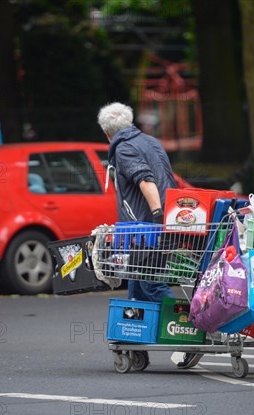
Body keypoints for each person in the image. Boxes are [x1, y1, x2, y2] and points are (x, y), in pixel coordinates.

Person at [97, 102, 203, 369]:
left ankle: (194, 332)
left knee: (151, 284)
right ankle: (134, 345)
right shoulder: (150, 141)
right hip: (161, 223)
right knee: (137, 284)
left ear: (107, 133)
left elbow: (145, 179)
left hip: (145, 229)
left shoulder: (123, 148)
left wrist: (156, 213)